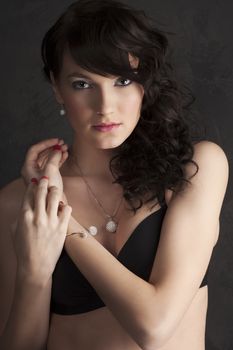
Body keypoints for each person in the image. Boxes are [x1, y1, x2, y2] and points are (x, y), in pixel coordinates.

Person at [0, 0, 229, 349]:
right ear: (56, 87)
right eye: (82, 84)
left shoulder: (194, 168)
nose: (105, 105)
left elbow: (154, 326)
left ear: (144, 83)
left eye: (123, 80)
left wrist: (63, 223)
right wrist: (34, 273)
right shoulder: (19, 200)